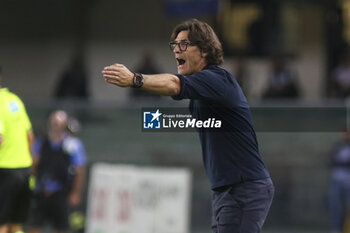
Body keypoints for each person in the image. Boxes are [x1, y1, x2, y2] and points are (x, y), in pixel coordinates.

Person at [102, 19, 274, 233]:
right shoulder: (201, 92)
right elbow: (208, 122)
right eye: (174, 45)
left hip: (243, 188)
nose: (176, 50)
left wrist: (135, 80)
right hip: (227, 190)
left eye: (183, 44)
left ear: (204, 50)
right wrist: (158, 122)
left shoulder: (217, 79)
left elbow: (174, 84)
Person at [28, 110, 86, 233]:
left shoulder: (72, 145)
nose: (56, 127)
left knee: (60, 227)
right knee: (34, 224)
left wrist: (75, 192)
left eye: (59, 124)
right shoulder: (42, 142)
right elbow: (34, 163)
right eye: (53, 123)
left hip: (61, 190)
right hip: (42, 189)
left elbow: (80, 169)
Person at [0, 67, 35, 233]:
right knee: (16, 225)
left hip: (4, 170)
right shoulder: (15, 100)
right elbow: (30, 136)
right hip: (24, 171)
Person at [329, 131, 350, 233]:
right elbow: (331, 161)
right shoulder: (337, 146)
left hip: (348, 180)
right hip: (337, 179)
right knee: (335, 206)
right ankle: (336, 229)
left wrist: (340, 162)